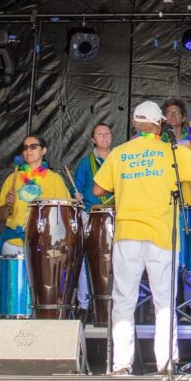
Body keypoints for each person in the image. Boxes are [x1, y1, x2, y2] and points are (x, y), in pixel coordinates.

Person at [92, 101, 191, 375]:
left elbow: (97, 188)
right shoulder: (171, 152)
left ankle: (120, 366)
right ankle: (165, 364)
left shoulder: (119, 153)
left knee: (124, 300)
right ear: (159, 124)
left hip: (127, 235)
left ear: (134, 123)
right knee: (164, 302)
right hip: (162, 236)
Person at [0, 135, 71, 255]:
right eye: (25, 147)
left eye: (33, 147)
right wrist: (7, 205)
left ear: (43, 151)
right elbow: (1, 217)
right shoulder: (12, 178)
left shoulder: (55, 179)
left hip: (44, 242)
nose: (28, 150)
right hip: (14, 242)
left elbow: (64, 214)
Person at [73, 123, 114, 312]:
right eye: (100, 134)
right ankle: (84, 304)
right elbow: (78, 188)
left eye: (107, 133)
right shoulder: (86, 162)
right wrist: (77, 196)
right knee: (86, 260)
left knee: (116, 259)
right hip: (90, 214)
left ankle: (113, 303)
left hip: (115, 214)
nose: (105, 137)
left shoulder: (119, 158)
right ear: (93, 139)